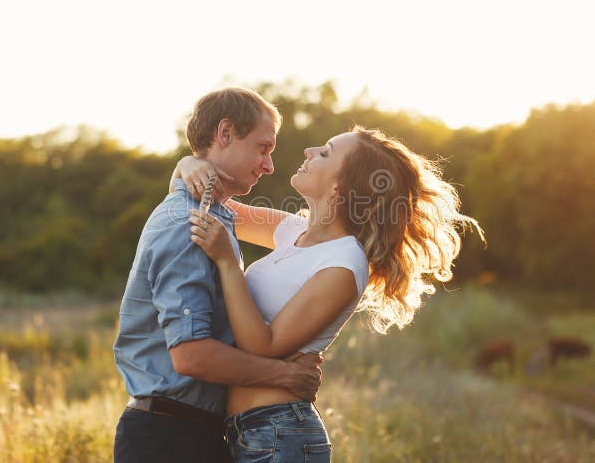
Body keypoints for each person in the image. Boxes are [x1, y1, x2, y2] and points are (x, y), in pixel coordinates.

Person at [177, 125, 484, 462]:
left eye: (324, 153)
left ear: (340, 187)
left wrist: (227, 262)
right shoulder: (294, 231)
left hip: (281, 433)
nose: (309, 152)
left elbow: (262, 346)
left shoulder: (345, 262)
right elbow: (204, 207)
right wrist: (187, 166)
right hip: (246, 430)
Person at [113, 87, 324, 463]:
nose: (269, 165)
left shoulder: (219, 216)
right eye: (263, 148)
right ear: (225, 134)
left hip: (192, 431)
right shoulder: (189, 221)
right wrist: (285, 376)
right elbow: (191, 356)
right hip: (168, 439)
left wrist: (185, 165)